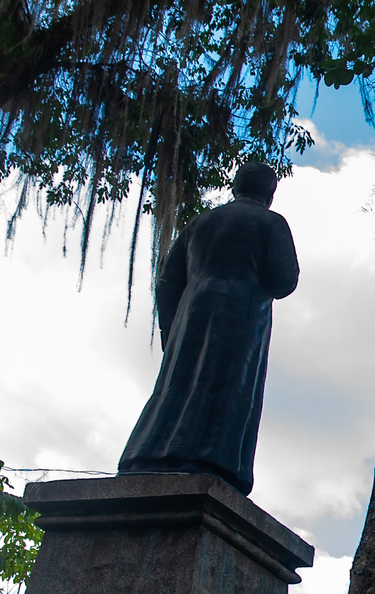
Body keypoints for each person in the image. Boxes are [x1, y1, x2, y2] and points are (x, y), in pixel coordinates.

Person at [117, 163, 299, 494]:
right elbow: (284, 281)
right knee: (228, 383)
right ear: (270, 193)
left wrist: (171, 329)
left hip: (192, 311)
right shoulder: (271, 223)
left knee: (178, 383)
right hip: (240, 313)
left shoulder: (200, 222)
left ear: (235, 186)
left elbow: (167, 279)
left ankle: (149, 452)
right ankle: (214, 459)